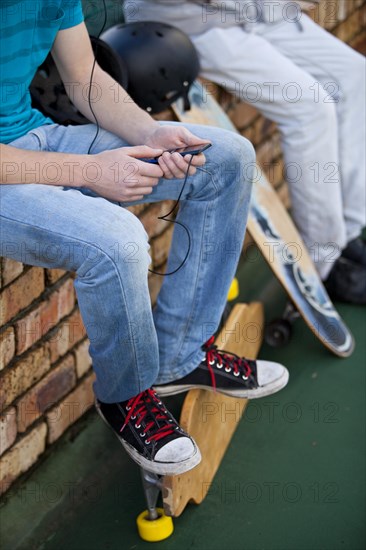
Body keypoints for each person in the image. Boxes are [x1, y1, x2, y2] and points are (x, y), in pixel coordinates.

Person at [0, 1, 289, 476]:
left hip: (34, 136)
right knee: (118, 240)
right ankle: (125, 398)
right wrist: (91, 171)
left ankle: (180, 355)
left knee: (227, 159)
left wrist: (153, 131)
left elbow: (84, 77)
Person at [125, 0, 366, 305]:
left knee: (355, 74)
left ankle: (349, 233)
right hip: (192, 21)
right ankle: (325, 262)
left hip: (258, 13)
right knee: (311, 108)